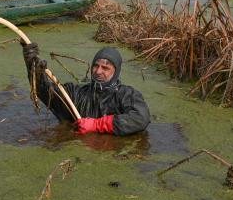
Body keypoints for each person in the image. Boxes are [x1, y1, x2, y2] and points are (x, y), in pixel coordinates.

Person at [21, 44, 150, 136]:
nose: (98, 71)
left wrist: (96, 125)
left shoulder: (126, 94)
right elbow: (44, 92)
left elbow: (141, 118)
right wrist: (33, 68)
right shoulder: (75, 93)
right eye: (96, 66)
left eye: (105, 68)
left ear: (115, 72)